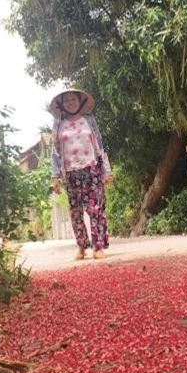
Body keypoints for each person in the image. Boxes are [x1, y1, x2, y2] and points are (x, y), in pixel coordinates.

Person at [50, 88, 113, 260]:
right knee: (76, 211)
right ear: (62, 105)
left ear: (80, 102)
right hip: (70, 173)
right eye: (67, 100)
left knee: (96, 209)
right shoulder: (58, 126)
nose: (71, 103)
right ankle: (81, 246)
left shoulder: (89, 121)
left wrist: (106, 171)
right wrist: (55, 177)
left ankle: (98, 247)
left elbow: (99, 145)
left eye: (74, 99)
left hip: (91, 169)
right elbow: (55, 151)